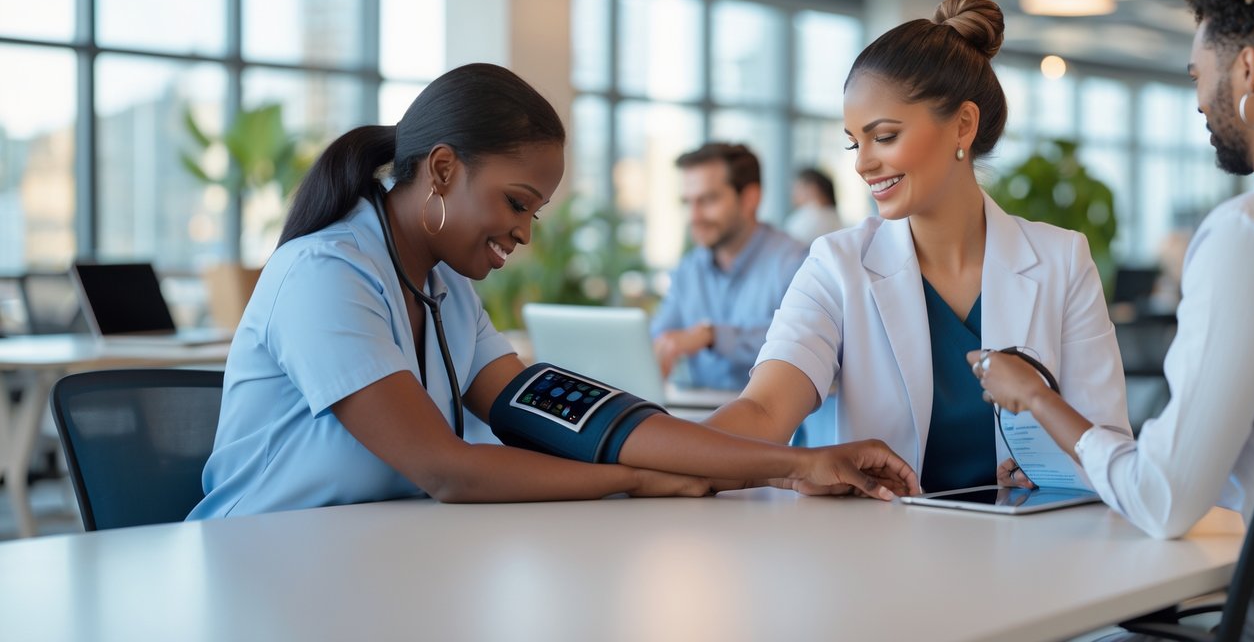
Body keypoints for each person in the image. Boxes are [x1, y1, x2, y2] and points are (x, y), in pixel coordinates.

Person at [189, 64, 917, 519]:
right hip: (264, 562)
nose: (525, 233)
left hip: (372, 560)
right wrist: (636, 481)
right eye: (515, 202)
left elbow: (563, 414)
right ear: (441, 171)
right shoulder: (326, 275)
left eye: (534, 212)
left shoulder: (443, 287)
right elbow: (443, 468)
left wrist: (794, 466)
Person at [971, 0, 1254, 539]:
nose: (1198, 103)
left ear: (1248, 70)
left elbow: (1163, 500)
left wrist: (1036, 399)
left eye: (1199, 76)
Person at [704, 0, 1131, 493]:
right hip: (879, 555)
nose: (862, 163)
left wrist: (1061, 470)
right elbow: (763, 410)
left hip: (1024, 551)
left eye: (883, 137)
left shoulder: (1062, 261)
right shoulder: (838, 265)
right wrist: (643, 458)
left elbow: (1108, 447)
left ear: (963, 125)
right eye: (853, 142)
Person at [650, 143, 807, 390]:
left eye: (708, 200)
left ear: (749, 199)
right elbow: (658, 337)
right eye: (687, 202)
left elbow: (798, 343)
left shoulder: (795, 262)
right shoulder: (689, 269)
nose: (694, 216)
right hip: (698, 417)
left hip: (774, 425)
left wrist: (711, 335)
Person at [784, 167, 844, 246]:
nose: (793, 193)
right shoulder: (833, 216)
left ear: (812, 188)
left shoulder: (812, 217)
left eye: (797, 187)